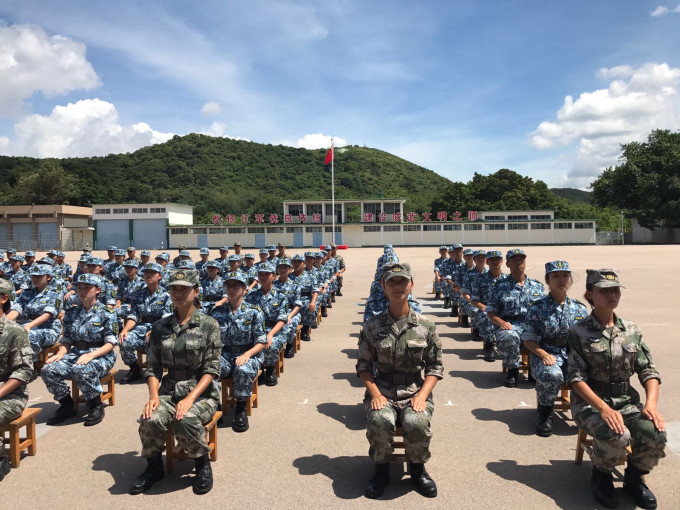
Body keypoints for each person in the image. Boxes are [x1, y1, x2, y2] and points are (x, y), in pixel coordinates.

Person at [567, 269, 666, 509]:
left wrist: (651, 405)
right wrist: (602, 408)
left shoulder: (631, 330)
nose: (612, 295)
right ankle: (601, 475)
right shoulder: (578, 332)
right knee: (617, 434)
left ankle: (634, 478)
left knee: (656, 433)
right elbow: (576, 378)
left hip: (626, 401)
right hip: (589, 404)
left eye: (615, 290)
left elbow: (648, 371)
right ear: (590, 294)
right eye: (604, 290)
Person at [131, 269, 221, 495]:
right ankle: (153, 467)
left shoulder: (209, 325)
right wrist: (153, 397)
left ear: (196, 291)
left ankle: (201, 463)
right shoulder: (160, 327)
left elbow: (212, 368)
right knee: (149, 418)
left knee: (185, 418)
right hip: (169, 390)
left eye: (184, 289)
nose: (178, 293)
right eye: (174, 288)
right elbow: (153, 366)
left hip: (202, 392)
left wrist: (191, 399)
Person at [357, 262, 442, 499]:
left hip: (415, 389)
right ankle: (381, 470)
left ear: (411, 285)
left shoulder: (426, 326)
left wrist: (422, 396)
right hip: (382, 389)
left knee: (416, 422)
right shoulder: (372, 326)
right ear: (383, 286)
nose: (397, 287)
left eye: (402, 281)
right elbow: (363, 367)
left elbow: (435, 368)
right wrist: (375, 394)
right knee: (379, 420)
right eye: (391, 282)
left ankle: (418, 470)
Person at [41, 274, 118, 426]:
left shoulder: (107, 313)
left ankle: (96, 404)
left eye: (87, 288)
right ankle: (67, 405)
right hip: (77, 353)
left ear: (98, 290)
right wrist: (61, 353)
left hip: (101, 355)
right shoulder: (72, 313)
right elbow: (67, 339)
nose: (82, 291)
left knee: (80, 369)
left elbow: (111, 343)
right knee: (48, 369)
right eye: (79, 288)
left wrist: (92, 355)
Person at [520, 261, 587, 437]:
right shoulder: (537, 307)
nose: (561, 280)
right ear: (547, 280)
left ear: (571, 280)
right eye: (556, 276)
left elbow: (587, 339)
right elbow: (528, 338)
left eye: (565, 276)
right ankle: (546, 413)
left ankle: (587, 414)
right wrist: (543, 354)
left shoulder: (580, 308)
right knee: (552, 374)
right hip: (546, 352)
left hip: (573, 355)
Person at [210, 271, 266, 432]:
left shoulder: (254, 311)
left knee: (243, 369)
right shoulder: (217, 312)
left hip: (249, 352)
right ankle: (215, 405)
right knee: (210, 368)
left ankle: (240, 410)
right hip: (225, 353)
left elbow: (262, 341)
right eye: (229, 286)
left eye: (236, 286)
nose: (232, 289)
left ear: (244, 289)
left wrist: (247, 354)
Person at [486, 249, 545, 387]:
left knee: (548, 336)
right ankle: (512, 370)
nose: (518, 262)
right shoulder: (500, 286)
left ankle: (534, 369)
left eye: (521, 260)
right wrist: (501, 323)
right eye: (514, 260)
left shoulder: (537, 286)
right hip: (510, 324)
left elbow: (544, 311)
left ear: (525, 263)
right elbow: (491, 312)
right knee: (509, 335)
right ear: (507, 264)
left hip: (532, 326)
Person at [0, 278, 33, 483]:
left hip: (11, 394)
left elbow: (23, 372)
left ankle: (1, 458)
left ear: (4, 299)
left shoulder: (15, 332)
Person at [118, 263, 172, 384]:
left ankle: (153, 370)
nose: (148, 275)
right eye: (146, 273)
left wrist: (155, 330)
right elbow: (133, 316)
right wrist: (125, 330)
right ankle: (134, 369)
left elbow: (167, 317)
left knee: (151, 340)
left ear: (160, 276)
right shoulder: (138, 295)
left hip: (161, 328)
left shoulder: (166, 295)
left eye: (152, 273)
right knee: (124, 340)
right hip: (142, 328)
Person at [7, 265, 62, 361]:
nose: (35, 279)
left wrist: (29, 326)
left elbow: (47, 314)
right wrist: (4, 322)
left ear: (48, 277)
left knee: (27, 336)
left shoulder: (56, 293)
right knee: (6, 332)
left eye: (39, 276)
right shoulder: (27, 292)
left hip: (48, 329)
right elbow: (17, 308)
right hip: (26, 325)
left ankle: (29, 365)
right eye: (33, 276)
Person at [245, 263, 288, 386]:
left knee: (271, 343)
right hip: (257, 330)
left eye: (266, 274)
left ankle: (270, 370)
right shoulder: (251, 296)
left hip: (275, 330)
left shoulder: (280, 295)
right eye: (260, 274)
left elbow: (282, 319)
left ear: (274, 276)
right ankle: (257, 370)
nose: (263, 277)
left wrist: (270, 334)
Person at [470, 250, 505, 362]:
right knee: (487, 316)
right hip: (487, 309)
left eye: (497, 260)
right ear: (487, 262)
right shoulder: (479, 279)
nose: (495, 262)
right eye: (492, 260)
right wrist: (484, 307)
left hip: (504, 311)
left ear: (502, 262)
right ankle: (489, 346)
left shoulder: (508, 279)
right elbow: (474, 300)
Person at [274, 258, 301, 359]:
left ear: (290, 269)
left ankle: (289, 345)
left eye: (285, 267)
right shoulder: (273, 285)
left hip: (291, 311)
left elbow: (297, 305)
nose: (282, 270)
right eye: (280, 267)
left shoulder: (295, 285)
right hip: (276, 311)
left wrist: (289, 316)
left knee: (290, 324)